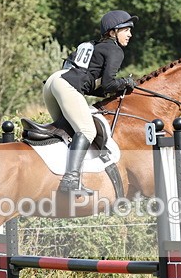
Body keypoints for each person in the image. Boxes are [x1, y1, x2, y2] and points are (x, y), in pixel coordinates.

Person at [43, 10, 138, 194]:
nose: (130, 34)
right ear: (113, 32)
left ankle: (53, 176)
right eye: (126, 30)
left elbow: (93, 86)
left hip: (53, 82)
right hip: (67, 85)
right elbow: (109, 83)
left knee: (67, 132)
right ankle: (70, 181)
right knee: (87, 130)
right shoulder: (114, 49)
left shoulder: (95, 46)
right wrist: (125, 82)